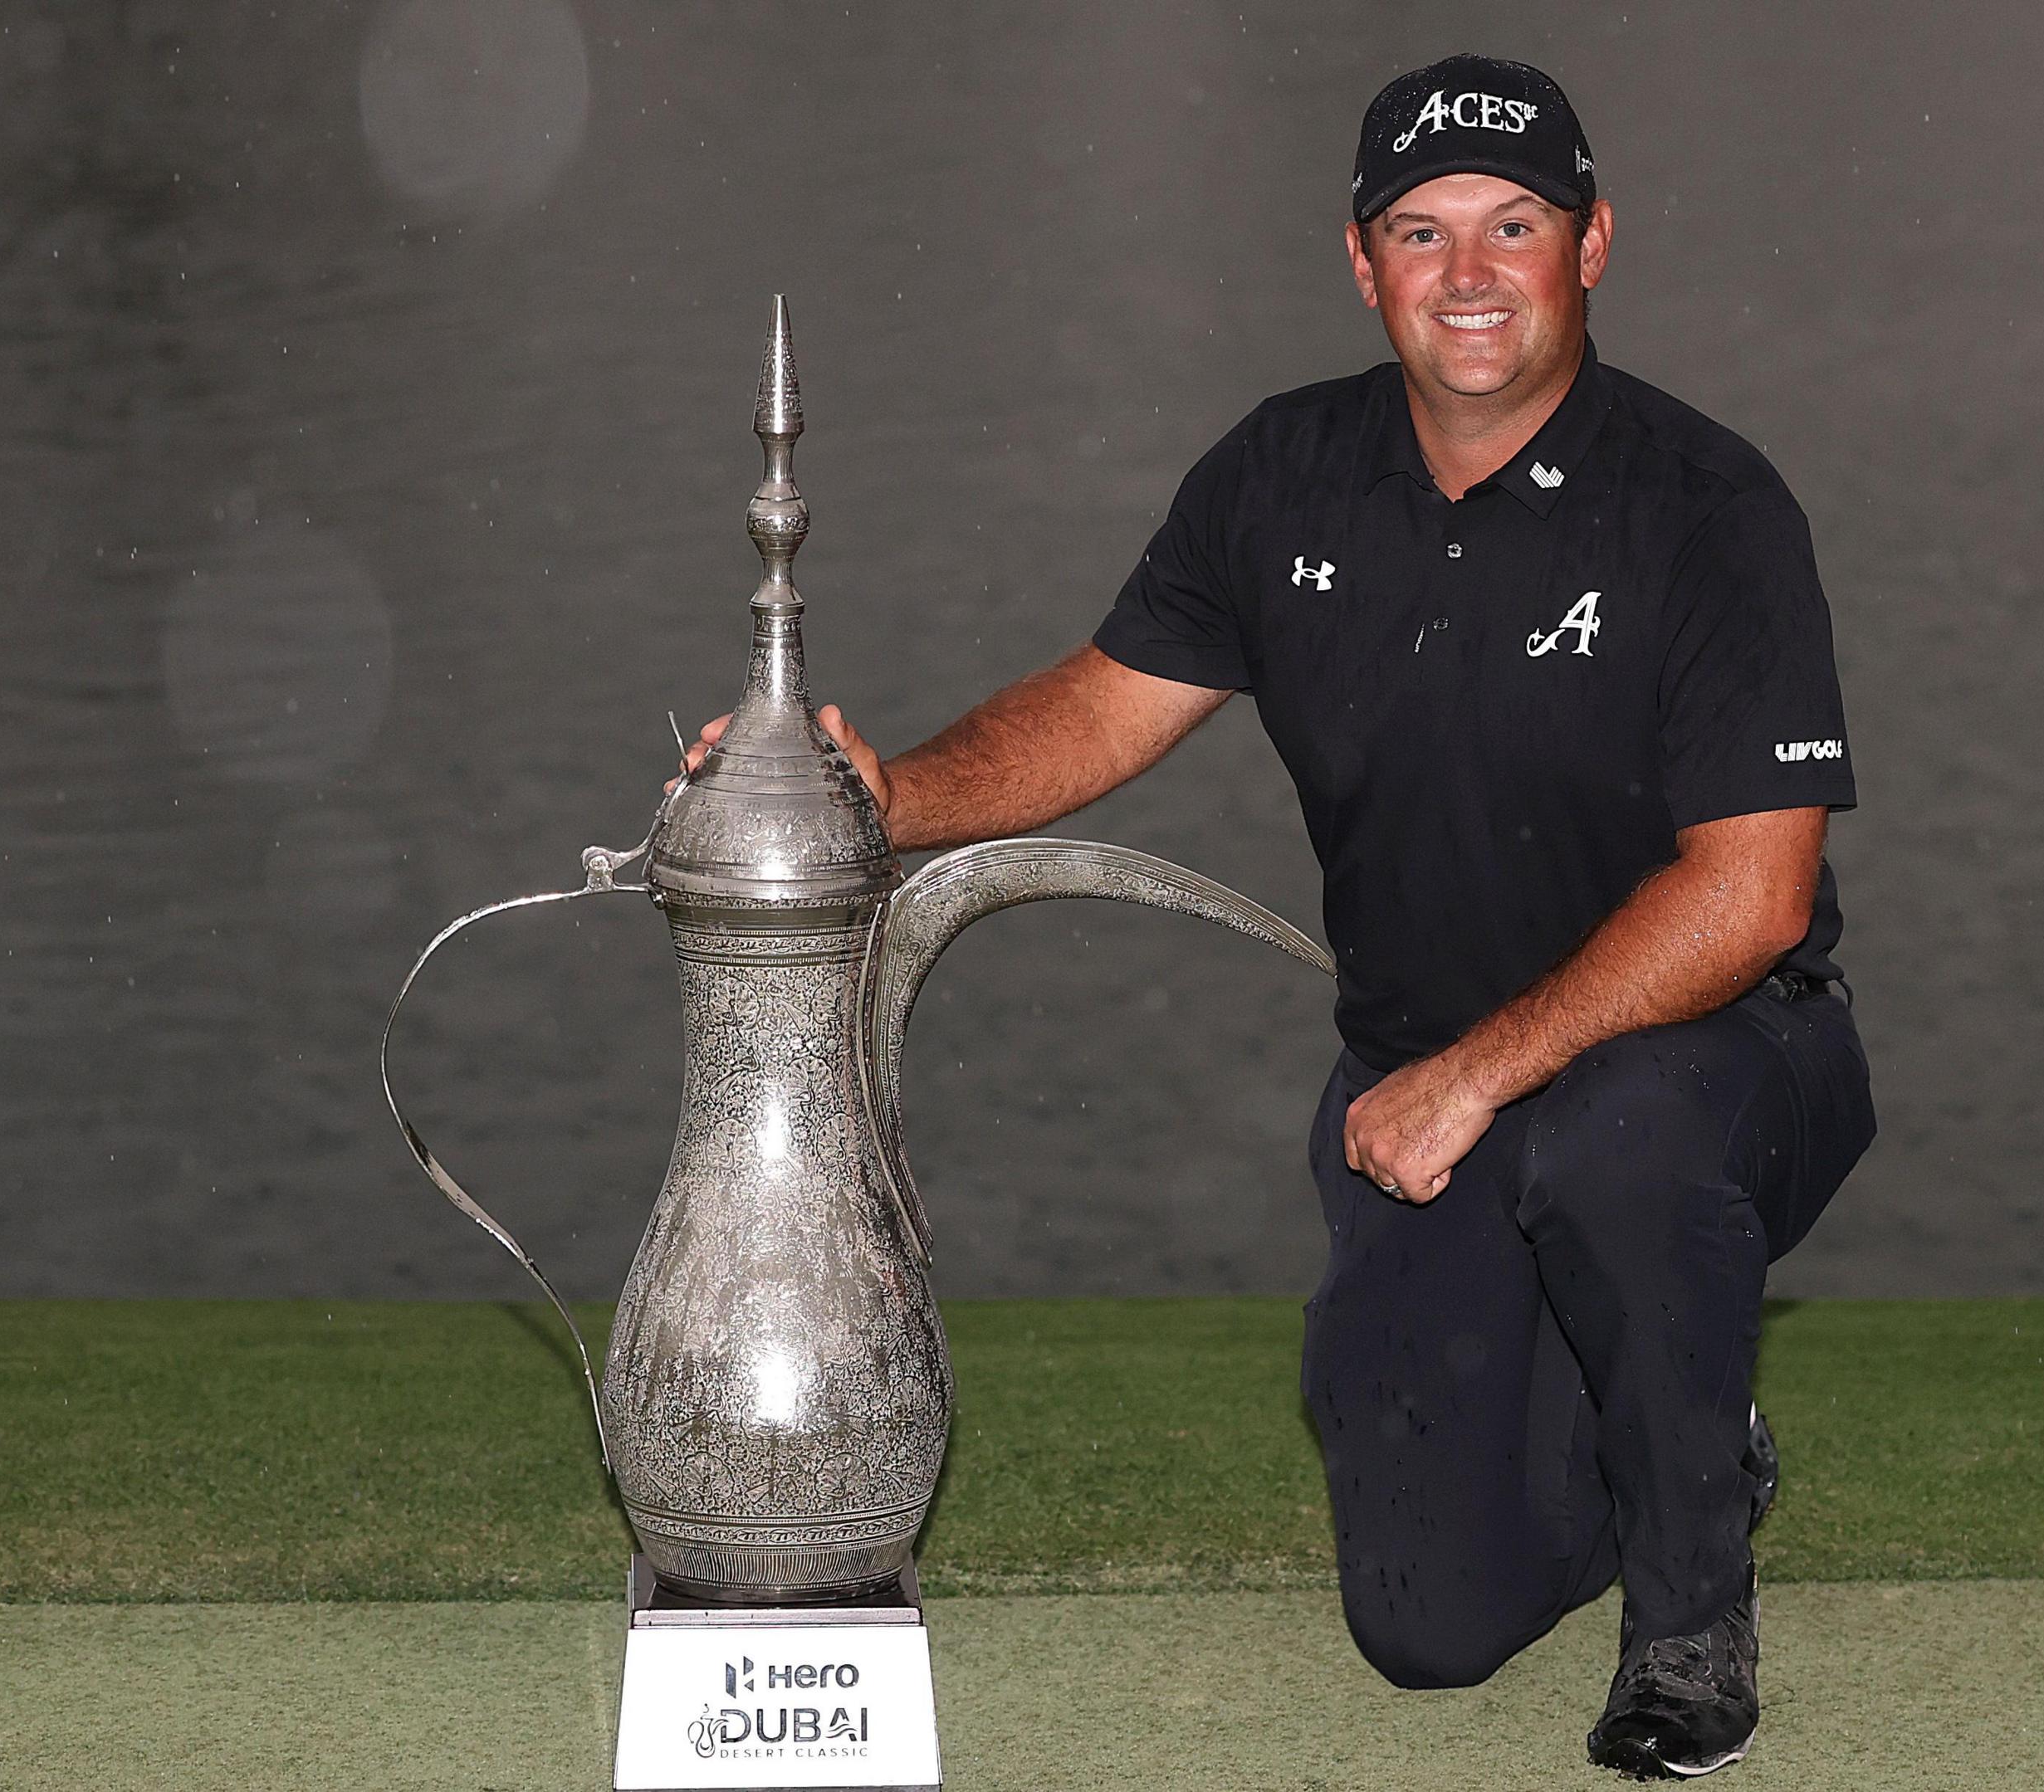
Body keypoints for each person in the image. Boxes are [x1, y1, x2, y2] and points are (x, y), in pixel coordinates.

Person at [687, 54, 1874, 1780]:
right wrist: (880, 792)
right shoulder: (1282, 476)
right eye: (1422, 232)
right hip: (1426, 1092)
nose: (1469, 275)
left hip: (1719, 1051)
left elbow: (1753, 896)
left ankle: (1691, 1625)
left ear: (1595, 244)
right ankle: (1685, 1439)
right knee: (1426, 1627)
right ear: (1362, 261)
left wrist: (1480, 1076)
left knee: (1618, 1148)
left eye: (1514, 226)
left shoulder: (1712, 510)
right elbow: (1102, 707)